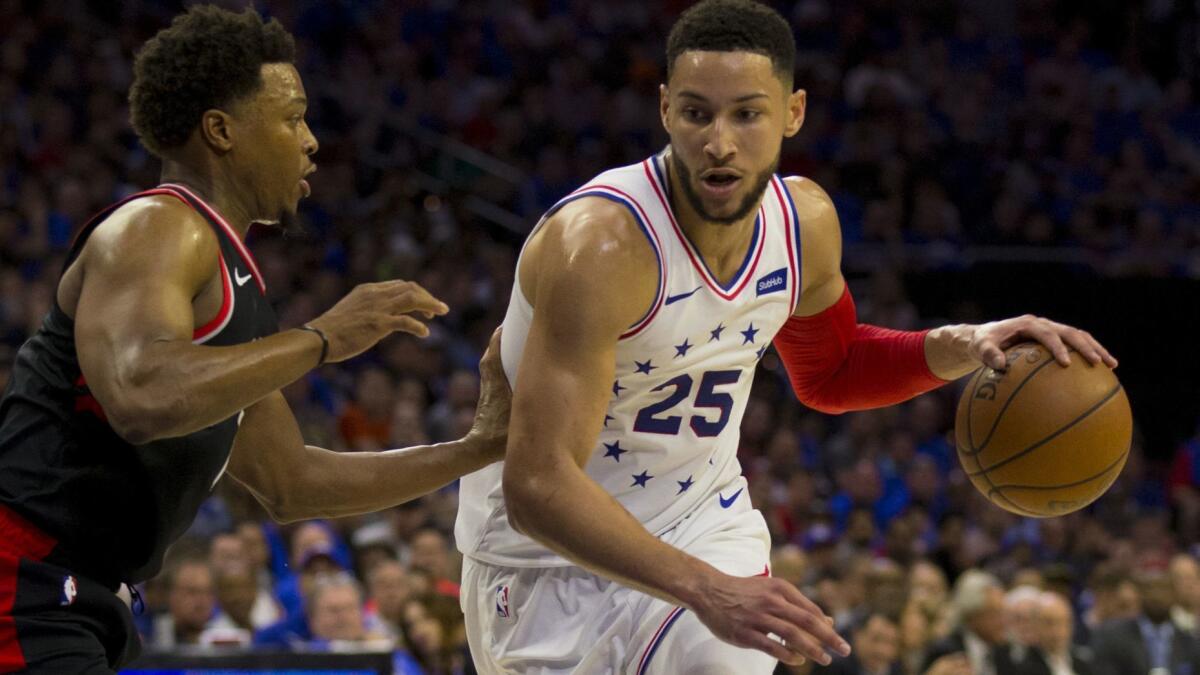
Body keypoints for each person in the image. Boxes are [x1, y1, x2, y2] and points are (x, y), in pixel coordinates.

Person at [454, 0, 1116, 672]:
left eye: (747, 112)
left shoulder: (804, 224)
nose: (719, 140)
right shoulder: (598, 246)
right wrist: (707, 589)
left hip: (700, 523)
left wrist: (969, 342)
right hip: (545, 561)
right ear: (663, 110)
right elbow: (537, 486)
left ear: (792, 113)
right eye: (696, 113)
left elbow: (834, 371)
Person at [0, 6, 510, 673]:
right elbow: (140, 391)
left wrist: (476, 448)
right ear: (221, 131)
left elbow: (290, 481)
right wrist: (322, 339)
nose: (311, 141)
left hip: (82, 598)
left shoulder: (238, 290)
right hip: (24, 581)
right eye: (293, 116)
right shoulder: (157, 227)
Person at [1090, 571, 1200, 675]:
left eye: (1163, 588)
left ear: (1174, 594)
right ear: (1140, 594)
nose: (1157, 596)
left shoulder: (1190, 643)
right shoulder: (1113, 636)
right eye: (1151, 588)